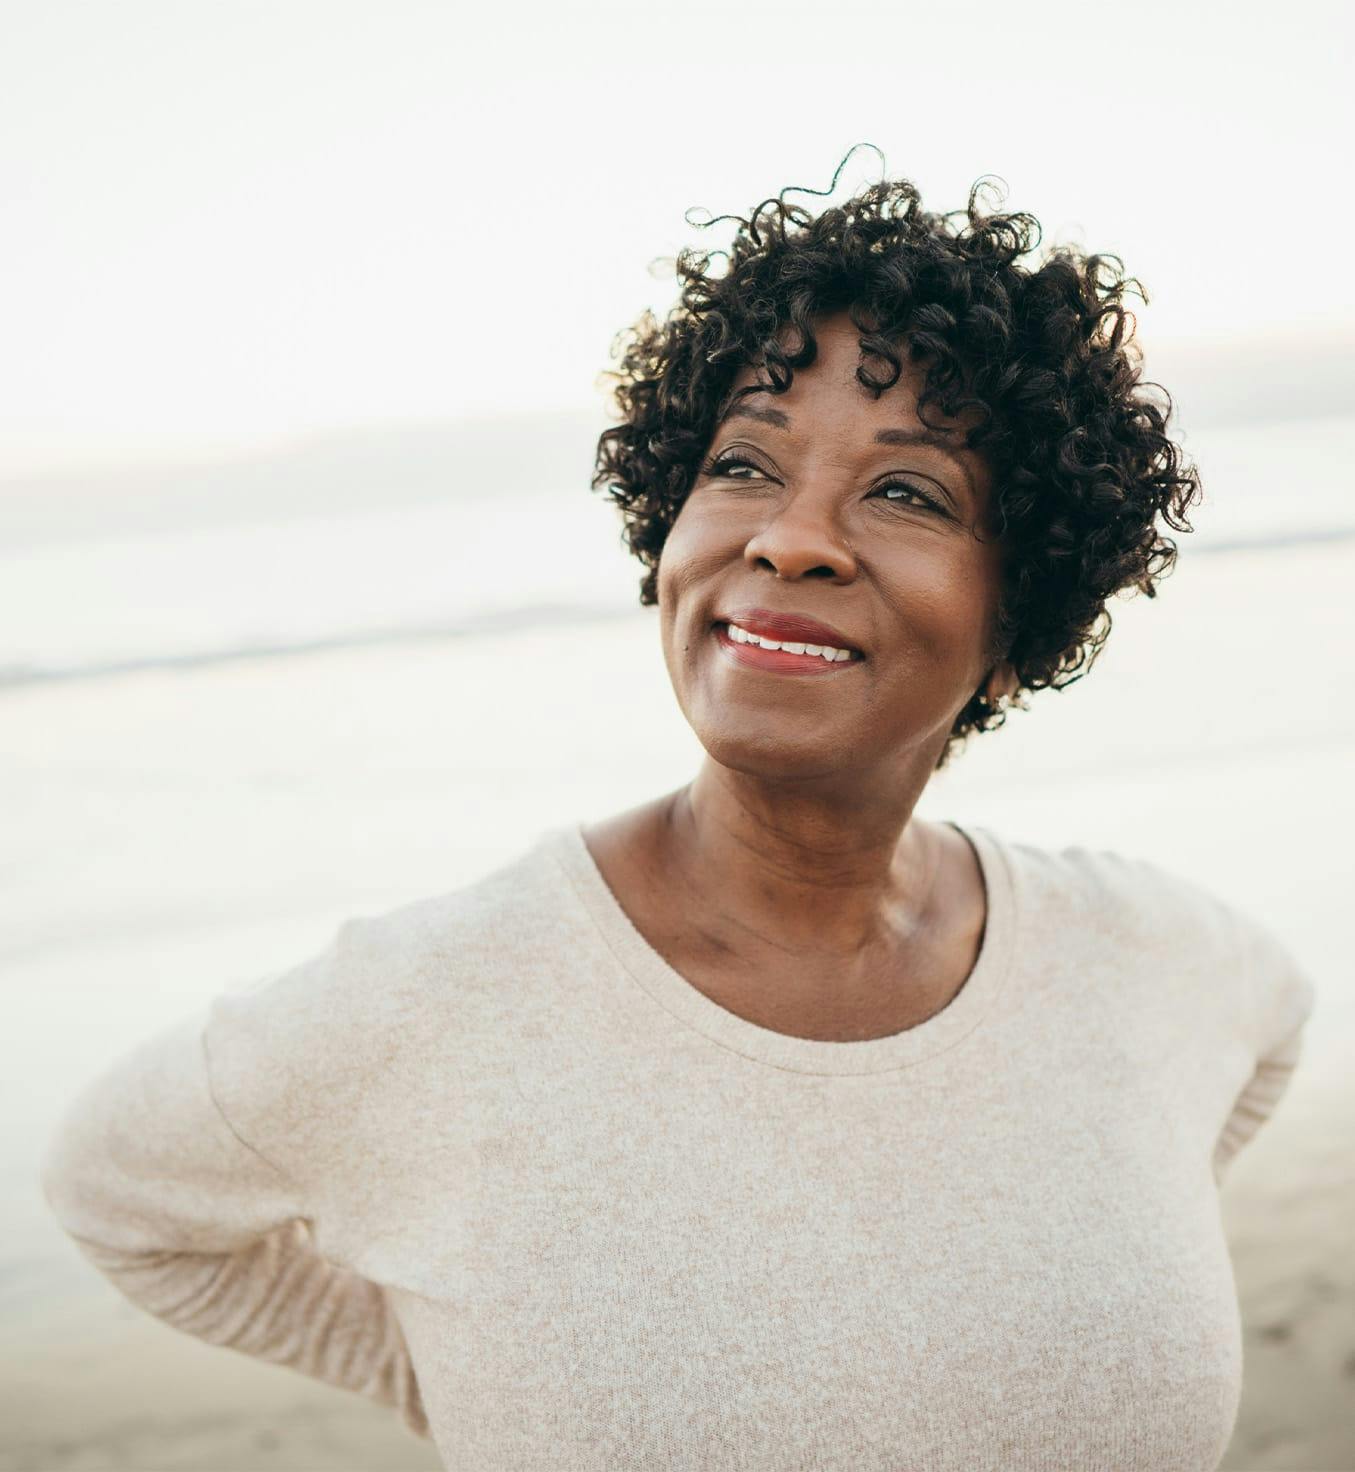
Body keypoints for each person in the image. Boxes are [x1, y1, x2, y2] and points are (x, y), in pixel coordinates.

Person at [39, 156, 1316, 1472]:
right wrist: (458, 1378)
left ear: (1018, 625)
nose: (791, 538)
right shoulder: (445, 997)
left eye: (905, 491)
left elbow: (1271, 1023)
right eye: (746, 466)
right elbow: (119, 1190)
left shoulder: (1153, 953)